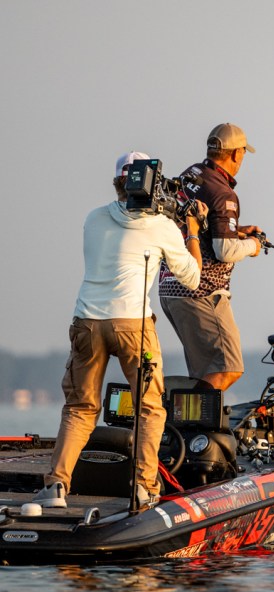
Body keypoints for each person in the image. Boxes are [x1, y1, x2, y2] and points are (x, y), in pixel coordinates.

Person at [33, 151, 204, 509]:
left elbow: (125, 229)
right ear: (153, 187)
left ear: (118, 184)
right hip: (134, 326)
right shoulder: (162, 227)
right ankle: (143, 487)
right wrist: (190, 230)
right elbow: (192, 277)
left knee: (80, 408)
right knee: (149, 409)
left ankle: (56, 487)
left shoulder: (94, 218)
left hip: (87, 323)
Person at [159, 122, 263, 392]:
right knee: (228, 368)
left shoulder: (191, 175)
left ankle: (180, 416)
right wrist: (252, 245)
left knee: (205, 372)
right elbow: (224, 251)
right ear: (236, 154)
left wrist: (235, 230)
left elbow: (194, 223)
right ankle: (185, 414)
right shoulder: (224, 193)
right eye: (243, 153)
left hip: (170, 290)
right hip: (202, 293)